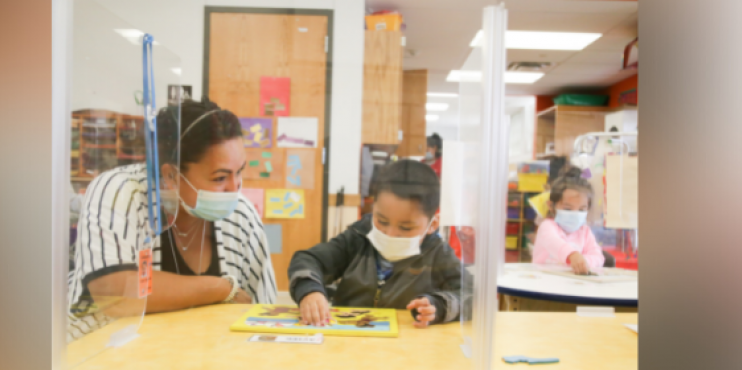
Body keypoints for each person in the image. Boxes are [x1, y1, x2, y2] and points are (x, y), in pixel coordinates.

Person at [67, 98, 277, 342]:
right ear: (171, 176)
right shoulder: (120, 192)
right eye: (220, 178)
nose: (234, 188)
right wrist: (222, 288)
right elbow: (114, 293)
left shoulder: (241, 214)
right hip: (104, 351)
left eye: (239, 172)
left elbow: (262, 314)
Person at [288, 160, 464, 328]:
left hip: (408, 346)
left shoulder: (438, 254)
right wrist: (310, 291)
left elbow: (471, 293)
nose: (390, 233)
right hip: (349, 341)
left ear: (432, 224)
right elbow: (308, 259)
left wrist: (439, 306)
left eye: (405, 227)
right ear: (374, 209)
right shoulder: (358, 238)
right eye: (382, 221)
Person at [532, 167, 605, 274]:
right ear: (551, 206)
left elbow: (598, 257)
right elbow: (554, 243)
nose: (575, 214)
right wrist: (573, 255)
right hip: (544, 283)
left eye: (581, 210)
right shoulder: (547, 227)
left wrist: (584, 262)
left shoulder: (585, 232)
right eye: (567, 209)